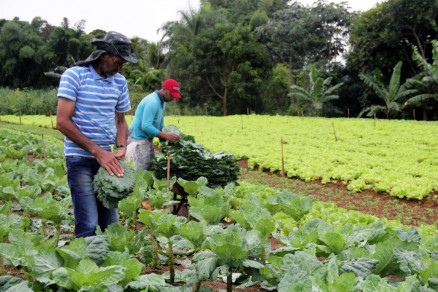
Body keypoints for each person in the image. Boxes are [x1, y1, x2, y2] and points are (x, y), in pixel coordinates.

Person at [56, 31, 138, 238]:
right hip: (80, 159)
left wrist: (121, 147)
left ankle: (110, 268)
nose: (119, 69)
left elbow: (120, 121)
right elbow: (62, 122)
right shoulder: (74, 76)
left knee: (111, 223)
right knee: (88, 222)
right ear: (104, 55)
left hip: (107, 161)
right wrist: (97, 151)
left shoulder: (120, 82)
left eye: (122, 66)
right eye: (118, 63)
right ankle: (86, 268)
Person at [128, 79, 181, 170]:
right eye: (172, 95)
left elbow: (160, 120)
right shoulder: (152, 101)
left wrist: (163, 137)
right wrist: (165, 136)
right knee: (143, 170)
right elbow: (146, 126)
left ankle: (150, 185)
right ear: (164, 90)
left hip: (147, 138)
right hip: (139, 138)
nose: (173, 98)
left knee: (150, 166)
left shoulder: (162, 102)